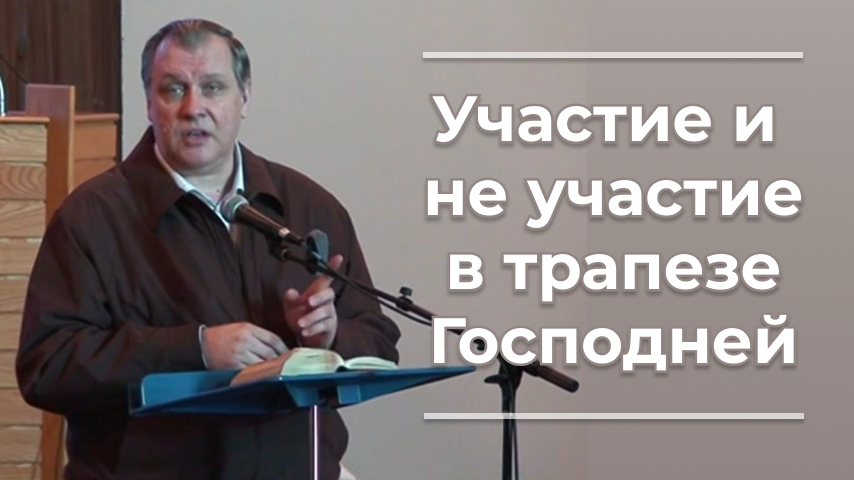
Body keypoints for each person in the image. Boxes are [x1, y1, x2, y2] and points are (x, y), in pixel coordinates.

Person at [15, 18, 400, 480]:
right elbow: (48, 366)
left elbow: (379, 341)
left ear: (245, 97)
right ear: (149, 103)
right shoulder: (93, 216)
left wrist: (329, 339)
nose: (193, 108)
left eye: (213, 88)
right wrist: (195, 348)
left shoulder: (308, 205)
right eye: (174, 89)